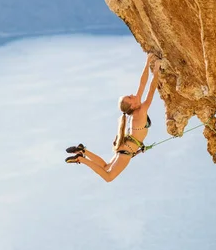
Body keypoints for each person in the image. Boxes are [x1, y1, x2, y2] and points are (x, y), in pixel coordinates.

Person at [65, 53, 161, 182]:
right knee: (108, 176)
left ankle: (83, 151)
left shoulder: (136, 111)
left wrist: (148, 61)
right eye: (130, 97)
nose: (133, 94)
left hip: (126, 149)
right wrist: (156, 71)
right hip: (126, 150)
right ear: (132, 105)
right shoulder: (141, 111)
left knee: (106, 167)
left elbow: (143, 83)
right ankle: (80, 158)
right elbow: (151, 89)